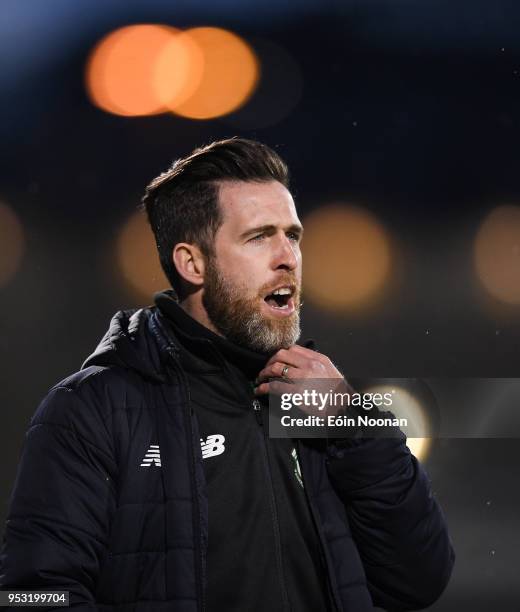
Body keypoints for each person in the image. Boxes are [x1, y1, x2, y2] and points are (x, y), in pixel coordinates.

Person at [0, 138, 454, 611]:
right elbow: (32, 594)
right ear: (192, 264)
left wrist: (355, 426)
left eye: (292, 235)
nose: (288, 258)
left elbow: (418, 581)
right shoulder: (93, 410)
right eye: (260, 237)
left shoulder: (327, 405)